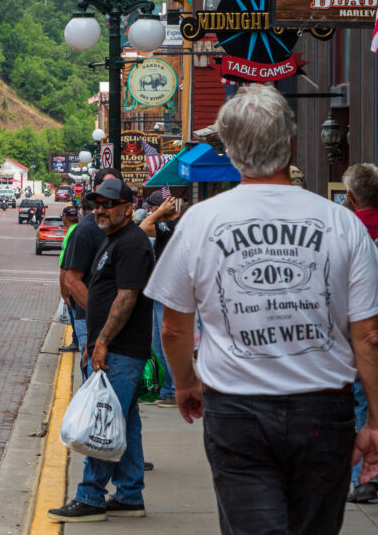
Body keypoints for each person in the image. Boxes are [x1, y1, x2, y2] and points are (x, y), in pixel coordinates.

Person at [146, 85, 378, 534]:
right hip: (323, 412)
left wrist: (185, 383)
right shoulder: (342, 224)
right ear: (290, 145)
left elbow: (173, 328)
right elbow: (369, 334)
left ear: (231, 152)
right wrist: (375, 421)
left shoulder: (200, 221)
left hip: (237, 409)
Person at [49, 177, 154, 523]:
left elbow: (126, 298)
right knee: (126, 422)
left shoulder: (132, 244)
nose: (100, 210)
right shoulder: (113, 240)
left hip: (121, 351)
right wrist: (92, 341)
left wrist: (103, 342)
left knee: (102, 421)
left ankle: (90, 497)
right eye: (97, 204)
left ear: (128, 208)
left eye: (108, 204)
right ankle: (129, 494)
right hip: (112, 348)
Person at [62, 167, 122, 366]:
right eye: (105, 186)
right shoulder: (85, 230)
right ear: (95, 190)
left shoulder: (123, 230)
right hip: (92, 321)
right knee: (94, 382)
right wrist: (100, 315)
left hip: (121, 323)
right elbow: (71, 279)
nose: (109, 192)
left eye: (115, 187)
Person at [344, 163, 378, 502]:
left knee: (361, 403)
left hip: (359, 335)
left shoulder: (345, 233)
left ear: (352, 197)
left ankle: (366, 478)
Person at [139, 190, 182, 409]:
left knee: (166, 344)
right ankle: (166, 390)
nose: (150, 212)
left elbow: (143, 227)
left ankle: (173, 391)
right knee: (157, 343)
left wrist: (161, 212)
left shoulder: (171, 226)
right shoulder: (170, 227)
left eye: (153, 208)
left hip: (168, 293)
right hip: (162, 293)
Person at [57, 205, 81, 352]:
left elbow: (66, 263)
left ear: (64, 217)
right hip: (72, 278)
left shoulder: (73, 233)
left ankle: (76, 341)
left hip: (71, 280)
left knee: (74, 313)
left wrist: (65, 291)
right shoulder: (75, 230)